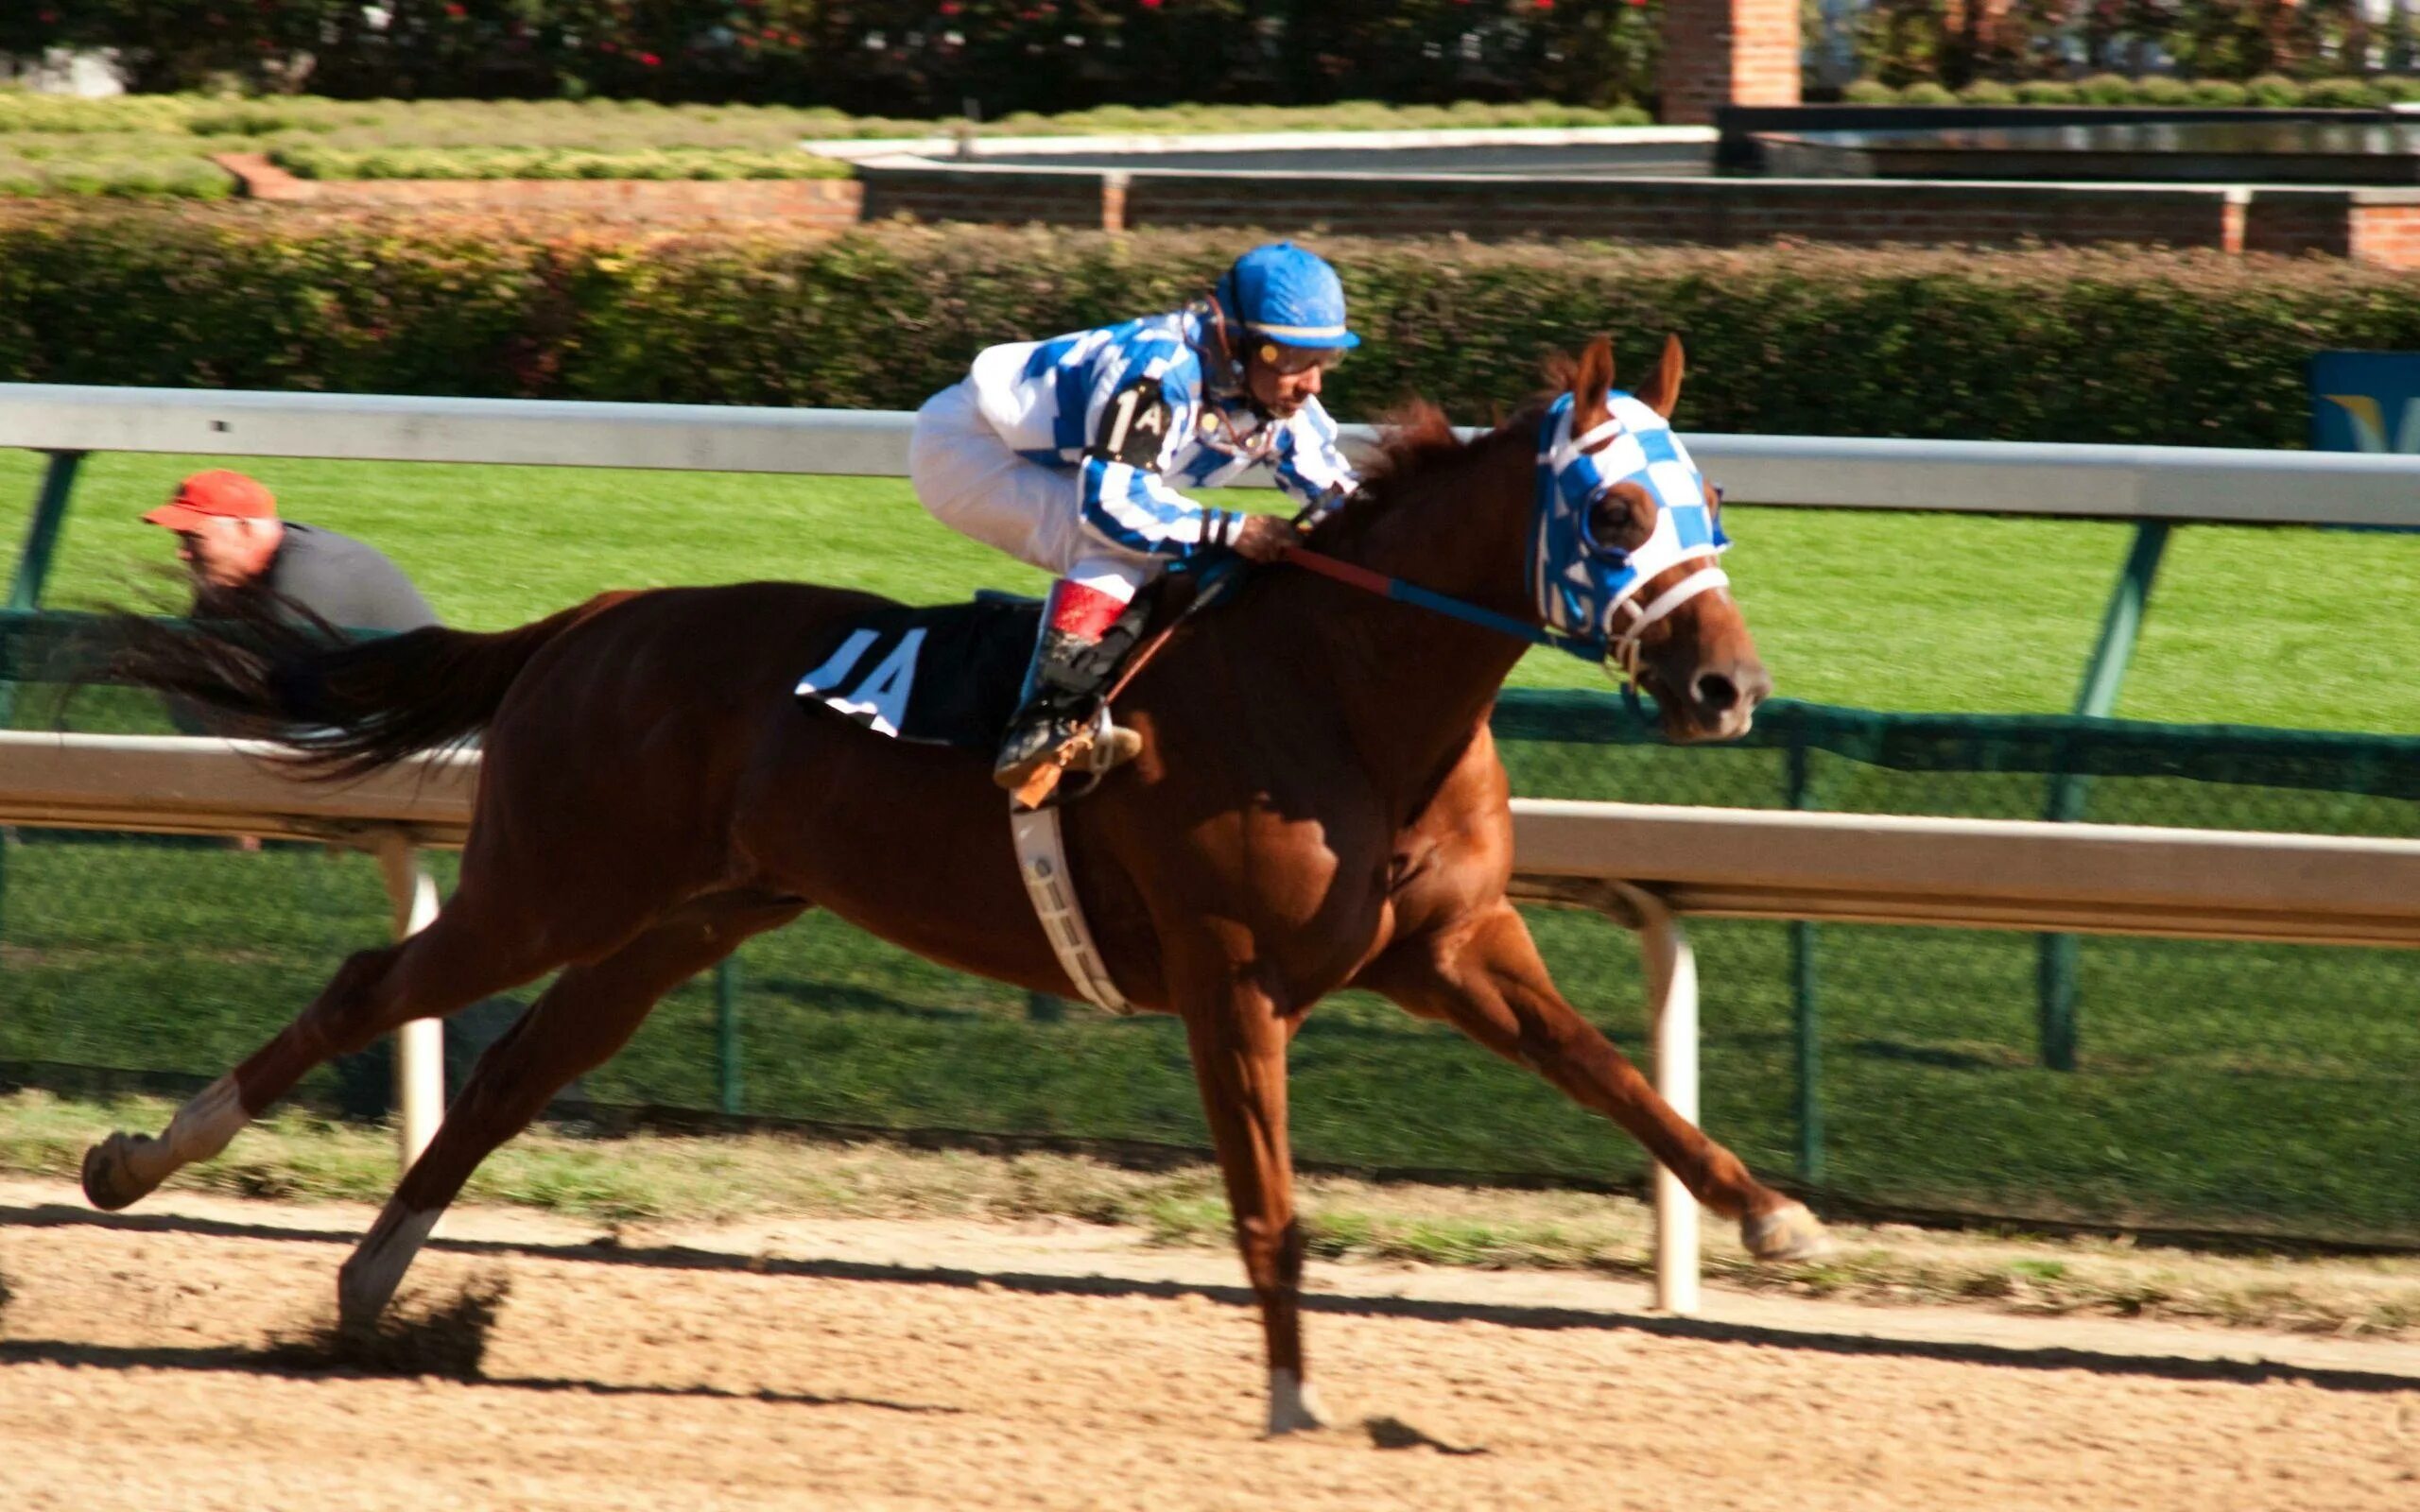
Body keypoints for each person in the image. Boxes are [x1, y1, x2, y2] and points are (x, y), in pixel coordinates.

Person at [909, 241, 1364, 791]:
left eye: (1326, 361)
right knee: (1120, 547)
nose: (1312, 383)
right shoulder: (1157, 372)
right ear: (1236, 343)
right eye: (1293, 360)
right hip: (971, 449)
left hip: (1061, 461)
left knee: (1168, 549)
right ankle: (1042, 724)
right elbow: (1112, 509)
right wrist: (1234, 528)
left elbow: (1342, 495)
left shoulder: (1278, 395)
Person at [142, 468, 440, 635]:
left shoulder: (308, 576)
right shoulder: (233, 575)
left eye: (193, 539)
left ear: (245, 529)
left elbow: (287, 688)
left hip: (427, 728)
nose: (183, 554)